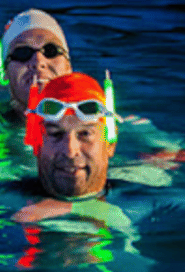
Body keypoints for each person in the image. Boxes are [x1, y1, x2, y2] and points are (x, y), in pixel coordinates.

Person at [13, 72, 118, 222]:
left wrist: (71, 207)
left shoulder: (149, 199)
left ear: (110, 144)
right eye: (56, 134)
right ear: (35, 142)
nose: (70, 151)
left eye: (85, 134)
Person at [0, 9, 72, 119]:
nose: (38, 61)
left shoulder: (97, 122)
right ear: (5, 72)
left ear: (68, 67)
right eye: (22, 53)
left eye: (51, 50)